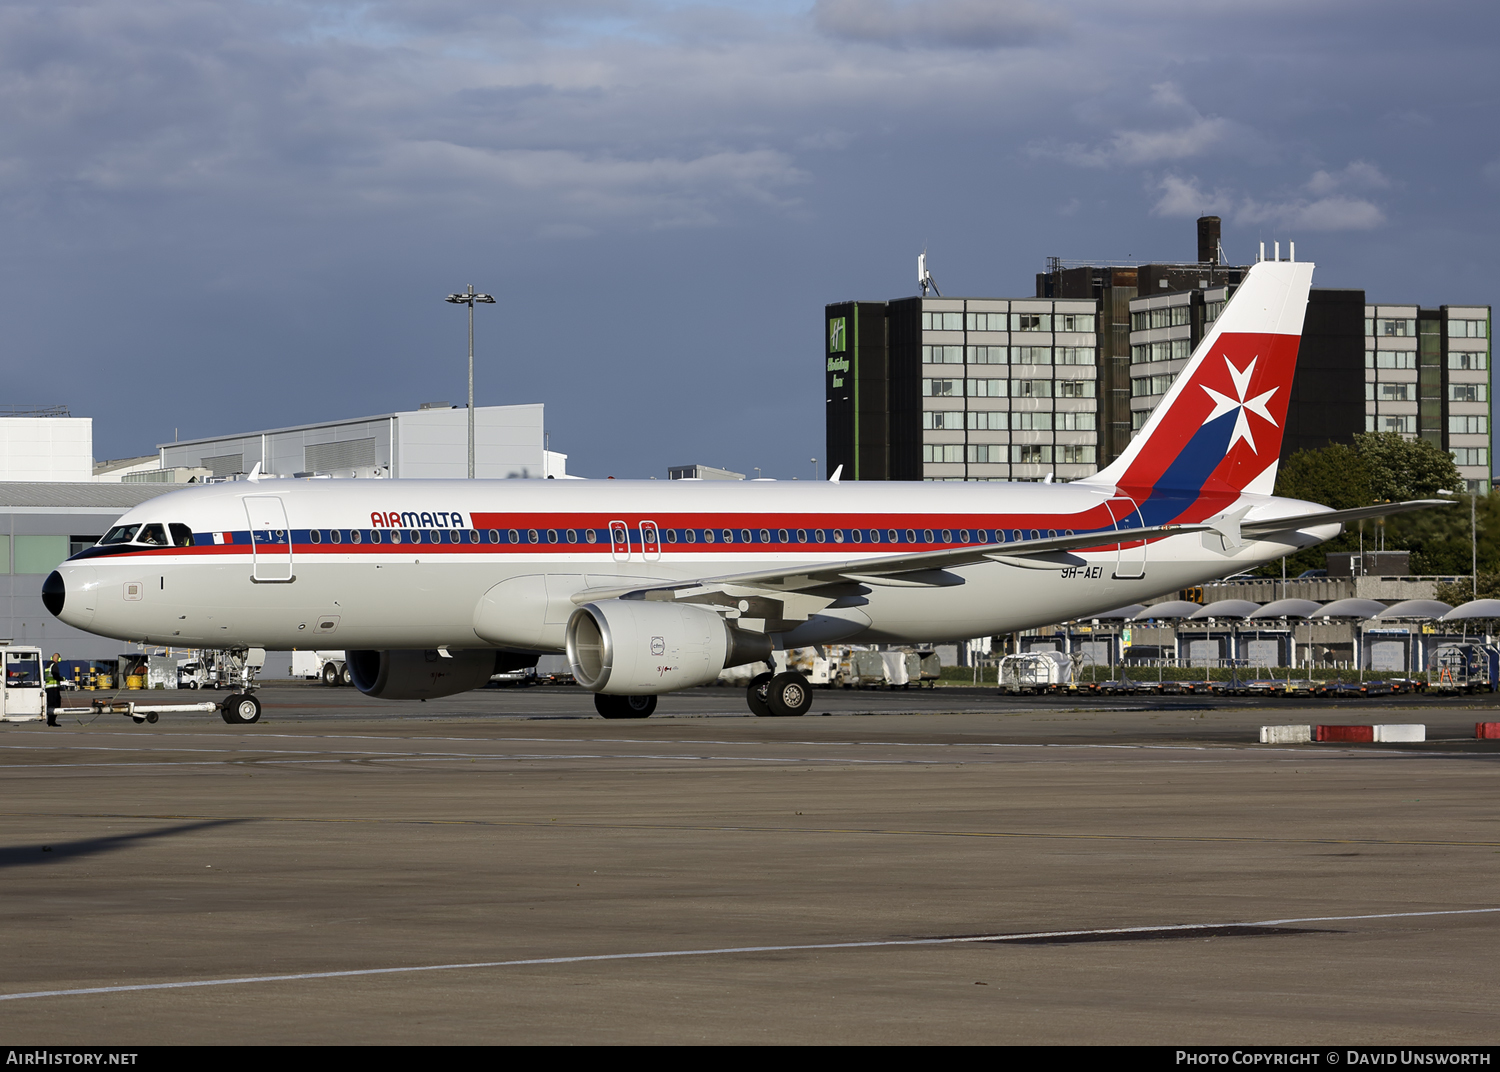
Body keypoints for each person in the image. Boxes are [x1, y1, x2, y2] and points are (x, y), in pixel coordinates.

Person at [44, 653, 63, 727]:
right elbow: (56, 676)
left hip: (48, 688)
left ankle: (50, 721)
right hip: (54, 688)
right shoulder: (54, 666)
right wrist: (61, 679)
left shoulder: (47, 665)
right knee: (56, 705)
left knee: (50, 705)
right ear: (58, 659)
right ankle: (52, 721)